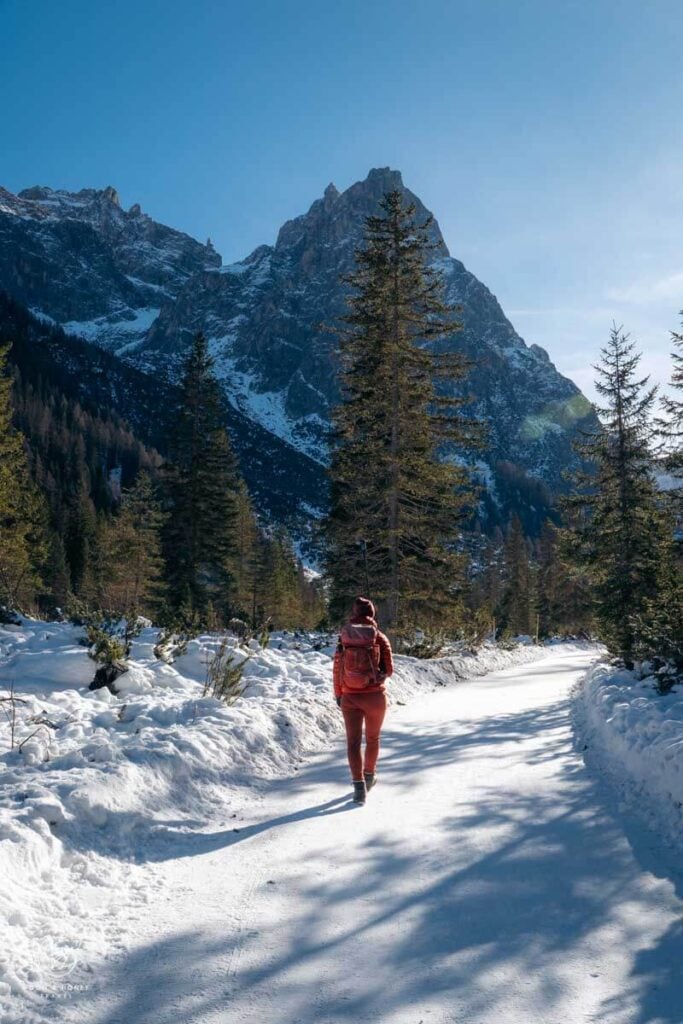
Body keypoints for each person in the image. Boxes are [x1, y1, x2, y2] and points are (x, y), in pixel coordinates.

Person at [333, 596, 394, 804]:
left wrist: (339, 694)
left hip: (350, 696)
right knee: (373, 739)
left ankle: (358, 788)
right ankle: (369, 776)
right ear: (372, 613)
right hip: (375, 697)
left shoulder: (344, 636)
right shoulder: (380, 637)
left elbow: (338, 668)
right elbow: (390, 670)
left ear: (354, 613)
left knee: (353, 743)